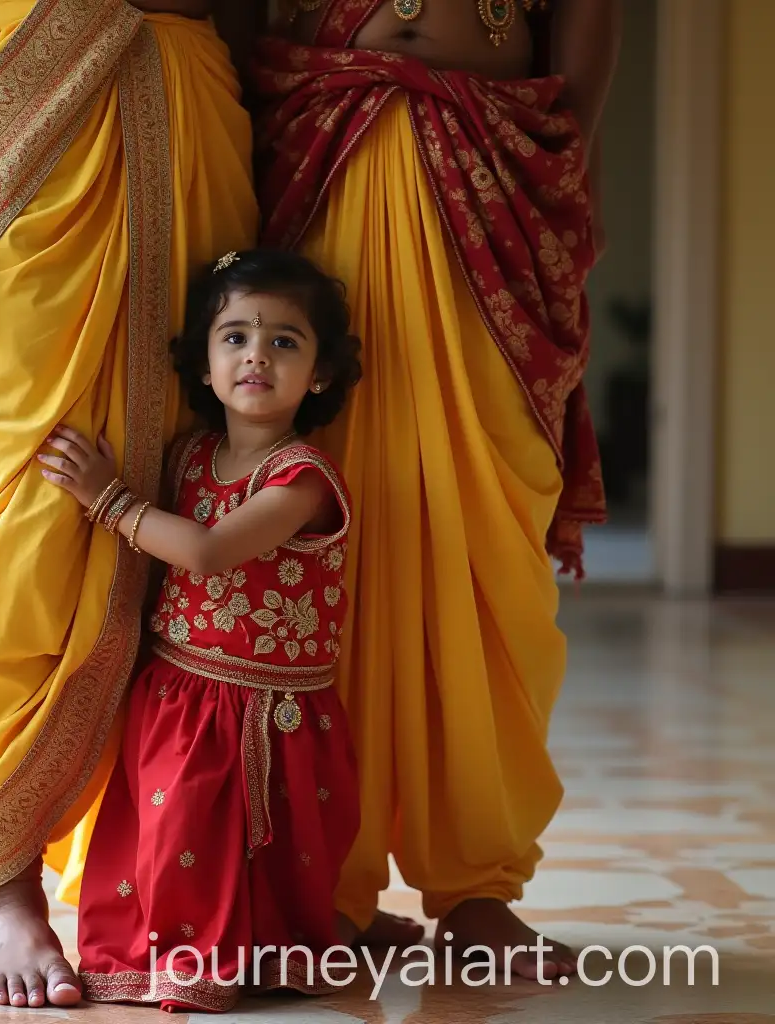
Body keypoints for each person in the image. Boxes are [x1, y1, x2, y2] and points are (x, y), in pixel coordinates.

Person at [0, 0, 260, 1008]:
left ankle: (161, 869)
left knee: (189, 469)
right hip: (21, 100)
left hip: (195, 95)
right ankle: (0, 883)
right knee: (16, 498)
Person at [252, 0, 620, 979]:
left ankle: (478, 894)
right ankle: (325, 882)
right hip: (325, 147)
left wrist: (552, 159)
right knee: (329, 531)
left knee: (487, 542)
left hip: (495, 166)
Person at [37, 249, 363, 1011]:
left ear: (318, 374)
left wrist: (104, 499)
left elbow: (211, 554)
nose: (256, 354)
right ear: (206, 365)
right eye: (236, 337)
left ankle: (237, 961)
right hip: (177, 695)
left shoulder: (302, 478)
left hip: (267, 714)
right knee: (165, 834)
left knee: (259, 851)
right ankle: (157, 958)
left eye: (285, 341)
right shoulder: (187, 455)